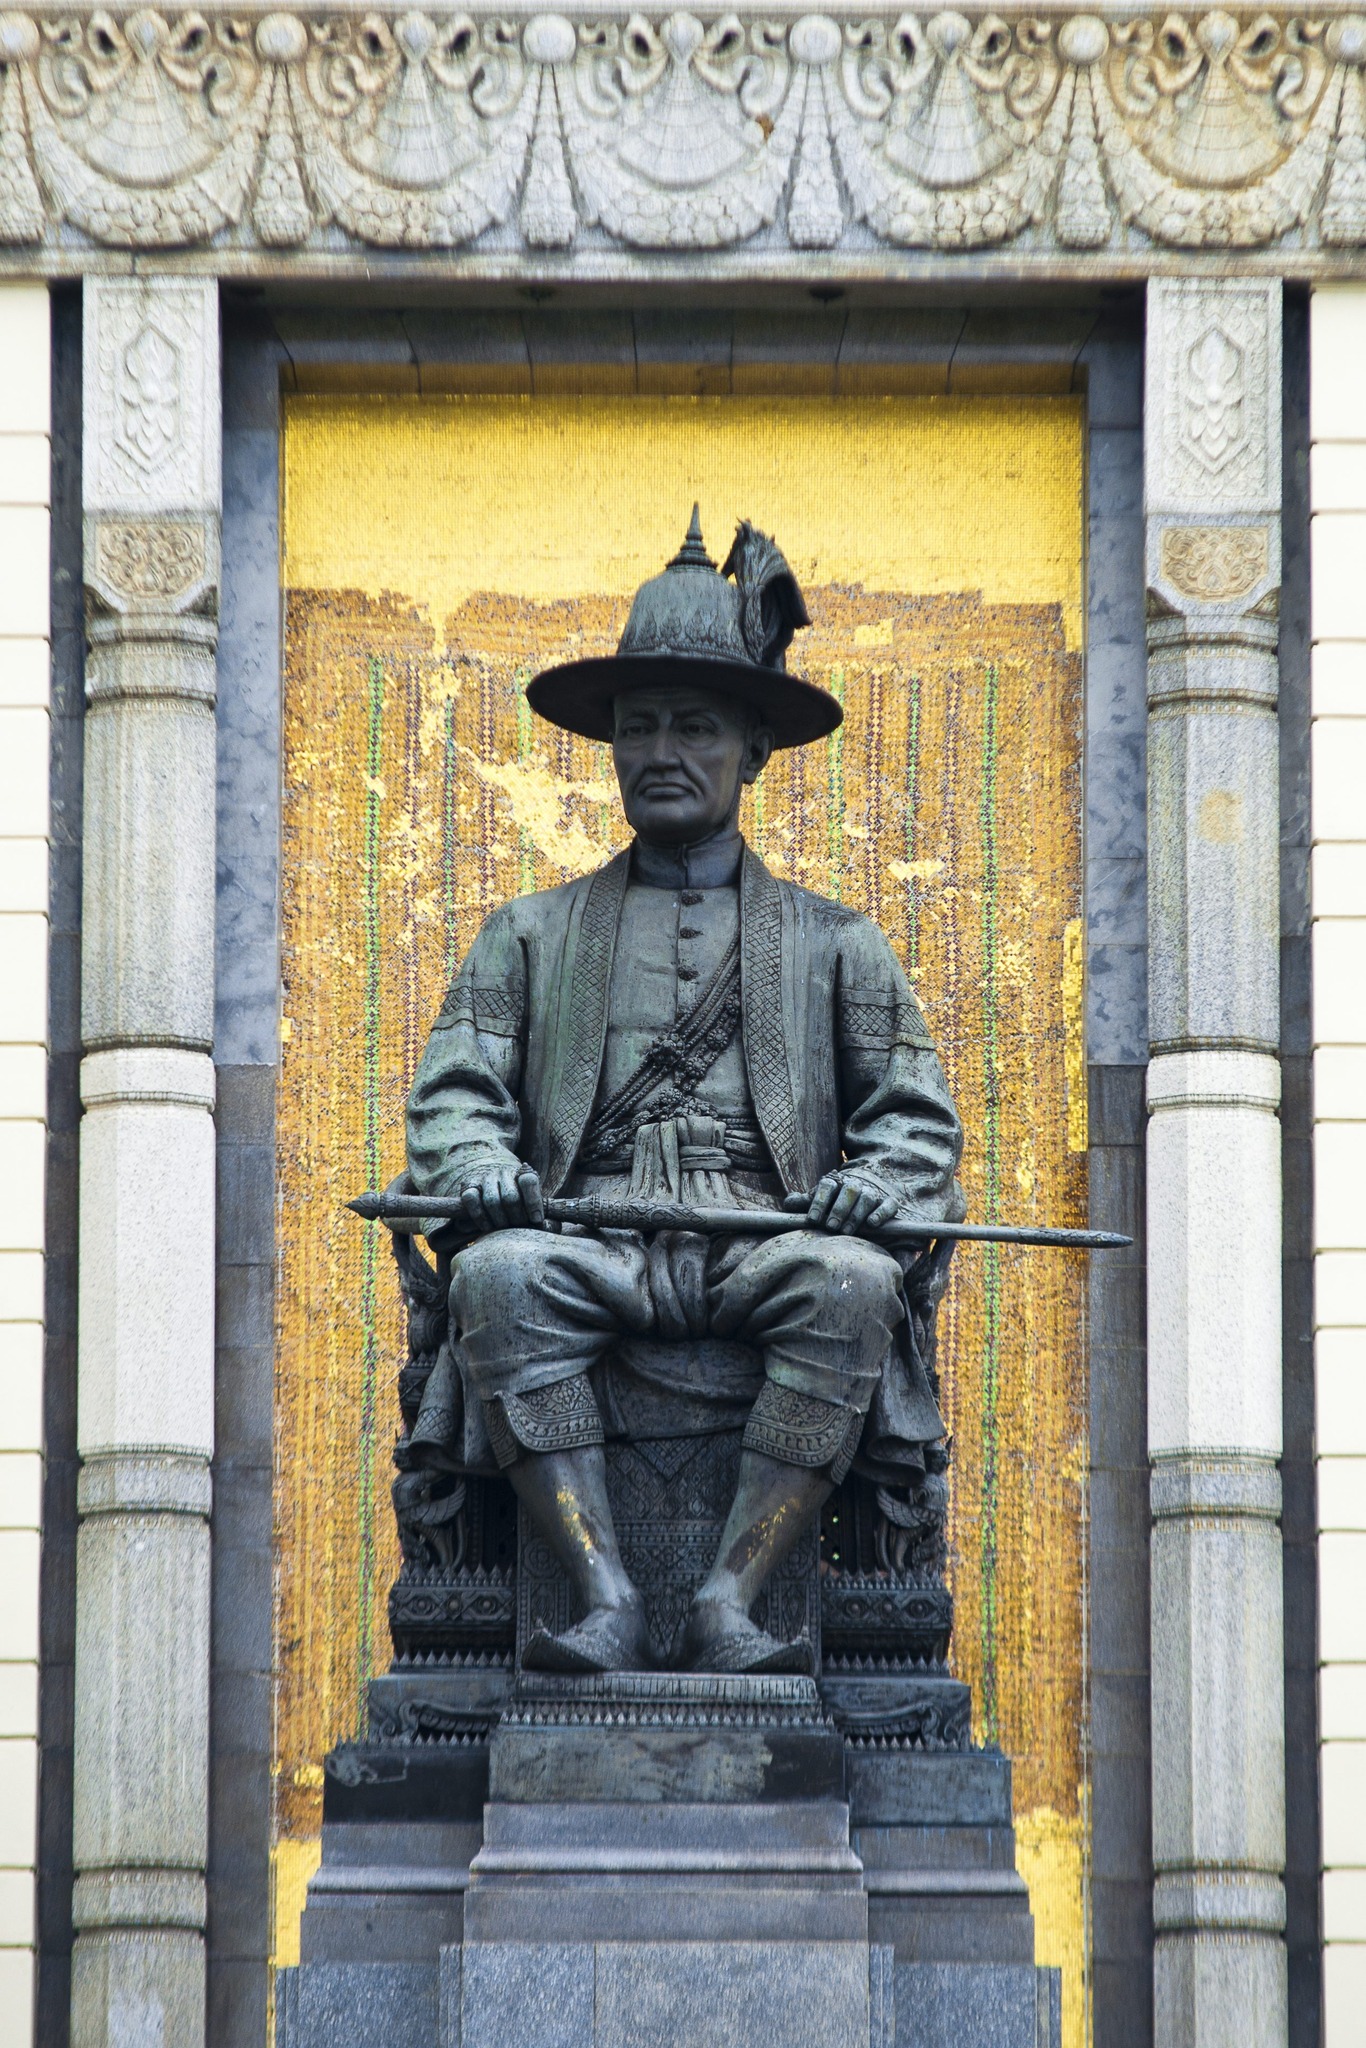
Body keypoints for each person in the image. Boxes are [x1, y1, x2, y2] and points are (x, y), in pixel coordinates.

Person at [406, 509, 963, 1674]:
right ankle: (601, 1595)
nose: (661, 750)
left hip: (766, 1240)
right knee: (497, 1276)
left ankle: (730, 1598)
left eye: (695, 726)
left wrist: (873, 1187)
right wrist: (483, 1168)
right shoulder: (528, 933)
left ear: (752, 749)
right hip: (586, 1235)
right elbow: (455, 1097)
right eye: (639, 725)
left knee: (855, 1282)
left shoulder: (834, 943)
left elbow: (914, 1118)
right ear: (610, 745)